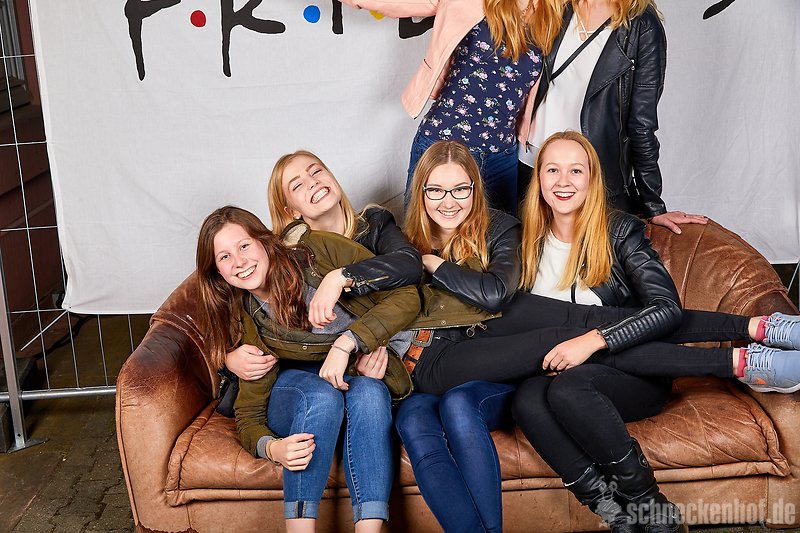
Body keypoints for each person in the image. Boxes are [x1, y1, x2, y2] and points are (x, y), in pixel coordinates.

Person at [399, 138, 800, 531]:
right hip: (556, 371)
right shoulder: (523, 241)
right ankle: (616, 515)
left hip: (631, 372)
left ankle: (751, 349)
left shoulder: (619, 231)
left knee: (572, 377)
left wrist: (593, 340)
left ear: (592, 178)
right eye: (552, 170)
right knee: (528, 400)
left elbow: (664, 310)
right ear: (538, 180)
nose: (563, 181)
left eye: (576, 170)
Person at [195, 206, 421, 532]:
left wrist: (357, 343)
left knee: (372, 391)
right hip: (296, 393)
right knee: (321, 395)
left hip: (347, 378)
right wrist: (272, 447)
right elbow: (249, 414)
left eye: (244, 246)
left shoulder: (318, 255)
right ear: (216, 270)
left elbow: (404, 296)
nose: (239, 261)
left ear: (265, 241)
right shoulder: (246, 315)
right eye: (225, 257)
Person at [224, 149, 422, 385]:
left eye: (316, 171)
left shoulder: (374, 223)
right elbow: (241, 299)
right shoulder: (285, 259)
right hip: (333, 371)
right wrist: (227, 360)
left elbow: (410, 264)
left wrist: (340, 277)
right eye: (297, 185)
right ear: (291, 211)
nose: (312, 182)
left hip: (397, 348)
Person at [518, 0, 707, 233]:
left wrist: (653, 205)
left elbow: (642, 123)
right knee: (528, 249)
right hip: (532, 161)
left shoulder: (642, 24)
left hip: (589, 172)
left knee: (586, 252)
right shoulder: (556, 7)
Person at [340, 0, 543, 215]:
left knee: (502, 234)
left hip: (500, 157)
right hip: (444, 144)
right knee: (423, 232)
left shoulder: (551, 16)